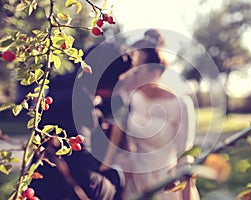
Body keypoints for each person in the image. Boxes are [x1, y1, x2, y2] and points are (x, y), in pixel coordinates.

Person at [102, 29, 200, 200]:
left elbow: (184, 159)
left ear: (154, 73)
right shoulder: (130, 99)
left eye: (136, 71)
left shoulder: (182, 105)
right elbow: (120, 144)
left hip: (167, 187)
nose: (129, 75)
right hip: (134, 187)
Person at [29, 42, 131, 200]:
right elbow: (89, 186)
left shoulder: (61, 90)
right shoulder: (76, 105)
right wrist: (117, 177)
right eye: (122, 79)